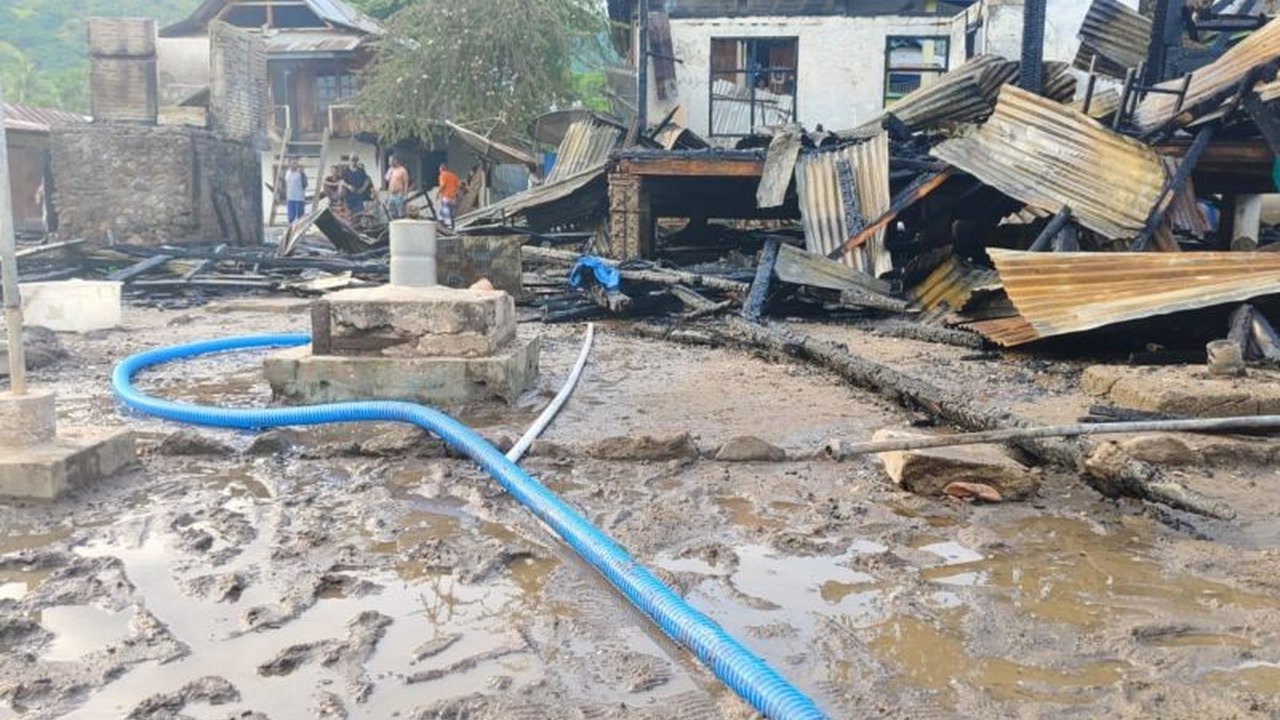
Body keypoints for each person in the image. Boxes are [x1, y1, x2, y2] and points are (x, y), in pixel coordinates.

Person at [282, 157, 308, 224]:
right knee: (291, 218)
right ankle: (291, 229)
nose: (295, 165)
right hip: (290, 198)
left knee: (300, 217)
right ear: (289, 164)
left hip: (299, 198)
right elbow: (286, 183)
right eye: (293, 163)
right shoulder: (287, 172)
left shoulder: (301, 173)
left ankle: (300, 229)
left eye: (296, 163)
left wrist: (302, 174)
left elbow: (305, 184)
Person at [437, 162, 460, 230]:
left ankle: (448, 225)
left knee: (446, 210)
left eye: (439, 170)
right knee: (447, 211)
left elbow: (443, 185)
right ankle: (440, 220)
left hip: (446, 196)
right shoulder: (453, 176)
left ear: (441, 169)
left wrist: (438, 193)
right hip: (453, 197)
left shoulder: (442, 175)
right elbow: (458, 186)